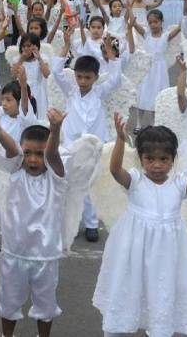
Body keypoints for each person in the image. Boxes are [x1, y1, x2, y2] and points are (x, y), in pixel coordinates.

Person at [94, 115, 187, 337]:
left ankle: (159, 329)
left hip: (167, 255)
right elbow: (115, 170)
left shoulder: (179, 184)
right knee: (128, 288)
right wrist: (120, 140)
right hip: (133, 251)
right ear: (140, 158)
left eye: (164, 159)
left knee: (161, 293)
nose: (157, 165)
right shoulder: (135, 181)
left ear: (173, 159)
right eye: (149, 159)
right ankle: (116, 328)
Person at [0, 111, 68, 337]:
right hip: (14, 253)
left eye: (39, 154)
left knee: (46, 306)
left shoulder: (56, 178)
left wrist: (55, 129)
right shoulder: (15, 170)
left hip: (45, 255)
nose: (33, 159)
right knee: (8, 303)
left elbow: (52, 155)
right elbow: (12, 149)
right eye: (28, 153)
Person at [50, 30, 122, 242]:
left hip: (93, 147)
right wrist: (65, 46)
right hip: (71, 146)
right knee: (68, 184)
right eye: (79, 76)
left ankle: (91, 224)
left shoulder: (100, 92)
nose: (82, 80)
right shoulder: (70, 91)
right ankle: (65, 222)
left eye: (87, 77)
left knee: (89, 185)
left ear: (96, 78)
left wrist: (110, 55)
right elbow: (55, 72)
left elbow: (116, 79)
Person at [130, 10, 181, 132]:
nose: (153, 24)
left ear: (162, 22)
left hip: (160, 71)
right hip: (147, 68)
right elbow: (134, 24)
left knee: (156, 96)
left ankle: (154, 123)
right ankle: (138, 123)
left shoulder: (166, 36)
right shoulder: (146, 34)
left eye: (156, 22)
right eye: (150, 22)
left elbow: (180, 27)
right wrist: (129, 8)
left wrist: (184, 12)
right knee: (142, 95)